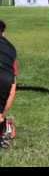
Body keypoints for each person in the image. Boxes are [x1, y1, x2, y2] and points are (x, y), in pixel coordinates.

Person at [0, 21, 18, 149]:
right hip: (6, 80)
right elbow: (13, 83)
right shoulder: (10, 47)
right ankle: (4, 124)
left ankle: (4, 126)